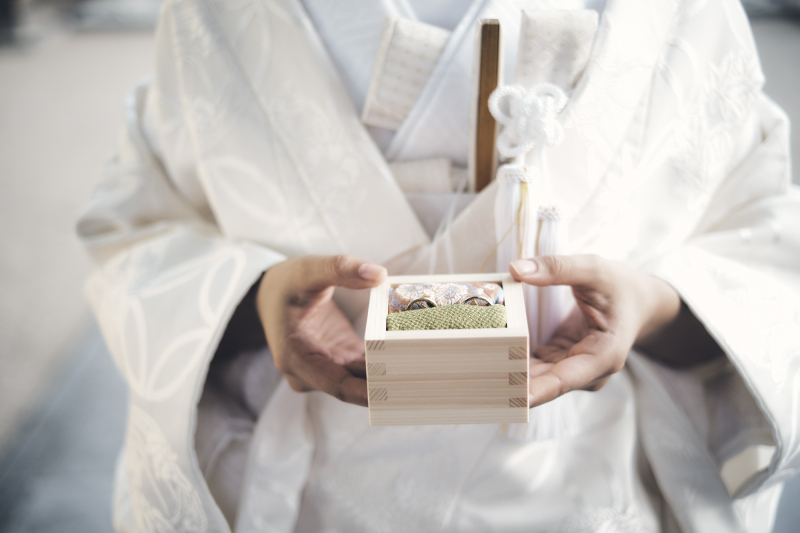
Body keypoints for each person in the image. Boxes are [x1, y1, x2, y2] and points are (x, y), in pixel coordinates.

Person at [77, 0, 800, 531]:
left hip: (583, 473)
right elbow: (141, 224)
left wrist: (652, 307)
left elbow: (760, 240)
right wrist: (254, 301)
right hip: (311, 480)